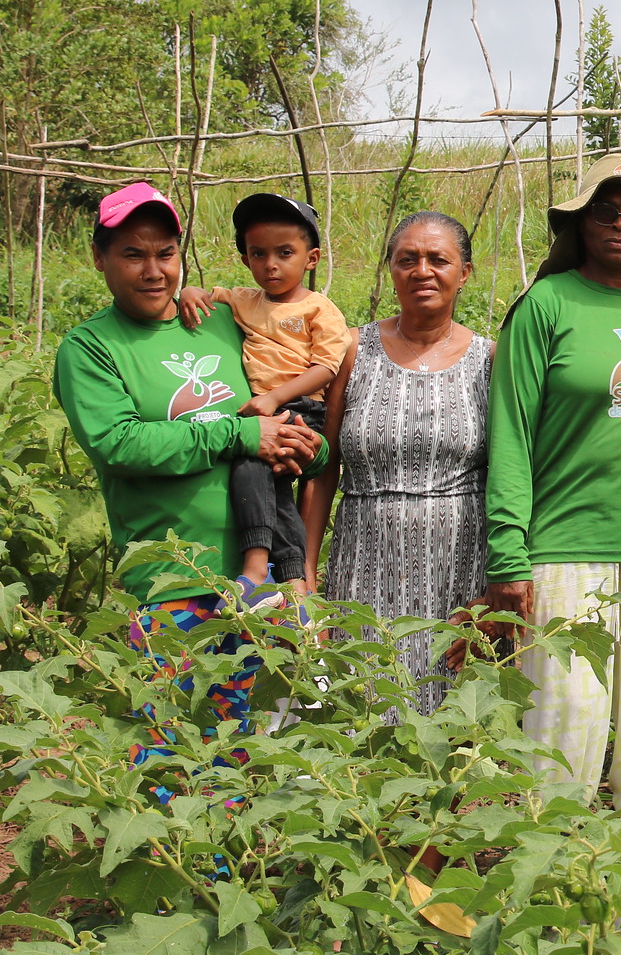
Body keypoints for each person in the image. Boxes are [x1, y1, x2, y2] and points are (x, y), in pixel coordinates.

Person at [54, 182, 326, 782]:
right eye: (133, 254)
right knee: (173, 761)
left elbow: (284, 408)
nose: (154, 271)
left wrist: (304, 447)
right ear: (99, 258)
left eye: (166, 253)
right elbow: (120, 444)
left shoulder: (222, 322)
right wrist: (240, 434)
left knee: (261, 760)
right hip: (171, 590)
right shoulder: (90, 348)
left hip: (264, 587)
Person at [485, 153, 621, 817]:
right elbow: (511, 433)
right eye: (605, 211)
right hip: (565, 547)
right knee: (564, 717)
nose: (620, 224)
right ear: (579, 222)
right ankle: (553, 849)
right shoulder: (545, 305)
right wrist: (507, 551)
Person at [301, 211, 492, 714]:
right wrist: (305, 575)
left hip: (459, 570)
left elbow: (508, 477)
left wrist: (493, 593)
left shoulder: (489, 360)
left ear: (464, 273)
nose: (422, 271)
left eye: (438, 260)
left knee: (451, 721)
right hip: (363, 562)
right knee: (362, 705)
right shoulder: (351, 350)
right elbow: (325, 467)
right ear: (390, 269)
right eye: (408, 260)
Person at [175, 193, 348, 608]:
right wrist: (189, 291)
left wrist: (274, 398)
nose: (271, 264)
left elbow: (326, 368)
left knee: (250, 467)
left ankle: (254, 569)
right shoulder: (246, 301)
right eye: (258, 254)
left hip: (299, 407)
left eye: (285, 253)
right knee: (276, 492)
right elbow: (208, 294)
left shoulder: (319, 309)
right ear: (246, 259)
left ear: (311, 258)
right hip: (265, 408)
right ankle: (293, 584)